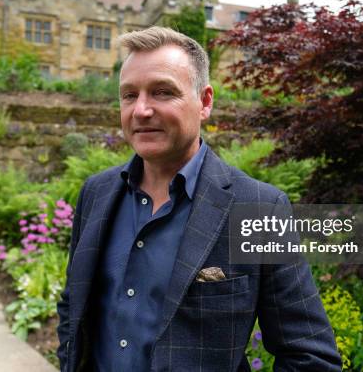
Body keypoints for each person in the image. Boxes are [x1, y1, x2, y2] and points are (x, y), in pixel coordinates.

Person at [56, 26, 342, 371]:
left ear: (204, 102)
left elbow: (309, 355)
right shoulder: (96, 193)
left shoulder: (258, 208)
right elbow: (73, 309)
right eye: (129, 95)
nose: (141, 110)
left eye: (163, 92)